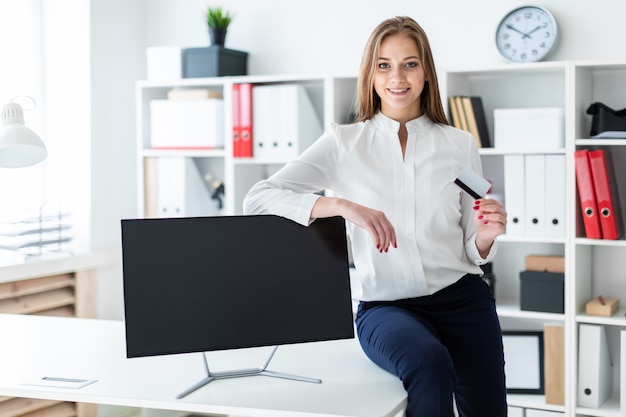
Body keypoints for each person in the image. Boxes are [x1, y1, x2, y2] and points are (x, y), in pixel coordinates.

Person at [243, 16, 508, 417]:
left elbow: (473, 250)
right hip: (386, 308)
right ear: (370, 74)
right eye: (384, 65)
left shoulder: (459, 145)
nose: (397, 77)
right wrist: (342, 206)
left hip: (463, 299)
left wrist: (486, 235)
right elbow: (258, 198)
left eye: (410, 64)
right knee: (430, 365)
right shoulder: (343, 143)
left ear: (426, 73)